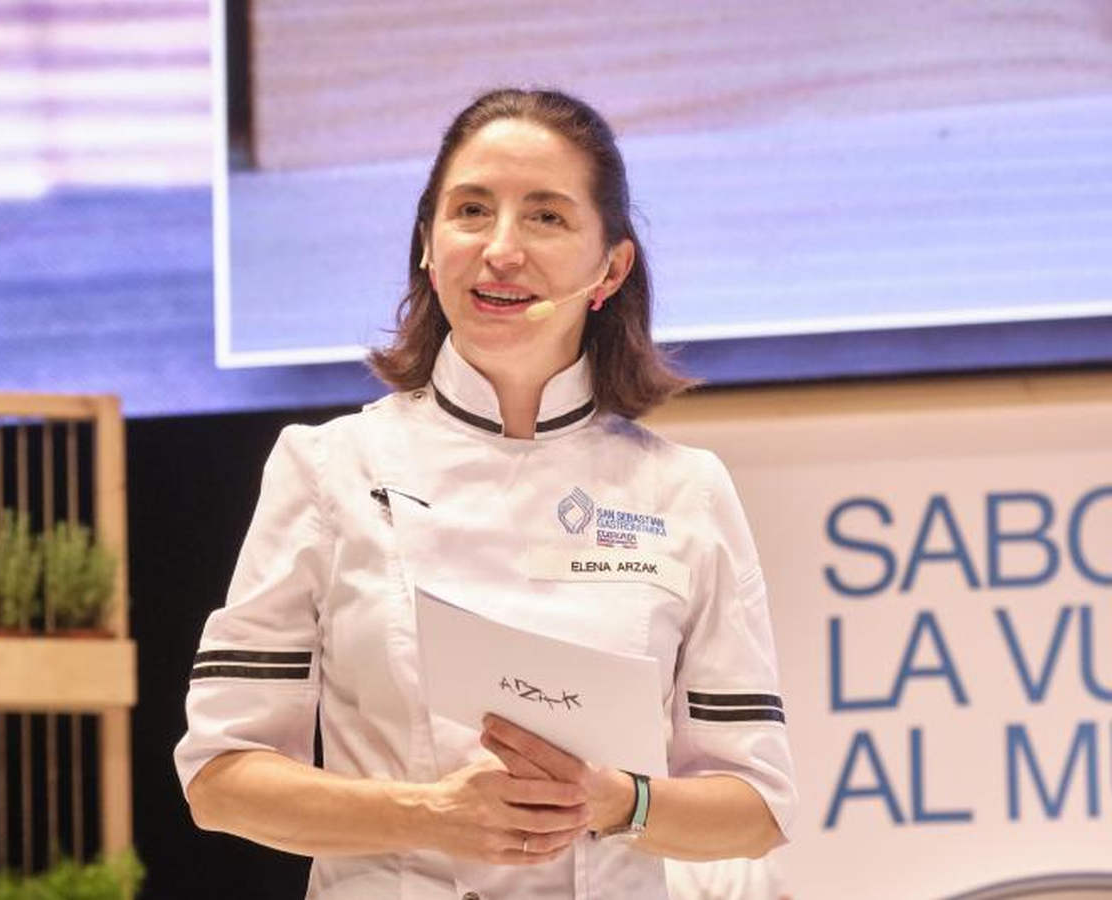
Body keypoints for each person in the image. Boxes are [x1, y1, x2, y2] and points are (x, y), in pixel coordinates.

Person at [175, 88, 796, 899]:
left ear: (609, 267)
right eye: (470, 211)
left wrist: (617, 802)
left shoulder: (683, 490)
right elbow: (220, 779)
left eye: (545, 217)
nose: (500, 249)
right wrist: (427, 813)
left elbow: (754, 806)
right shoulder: (328, 468)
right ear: (428, 247)